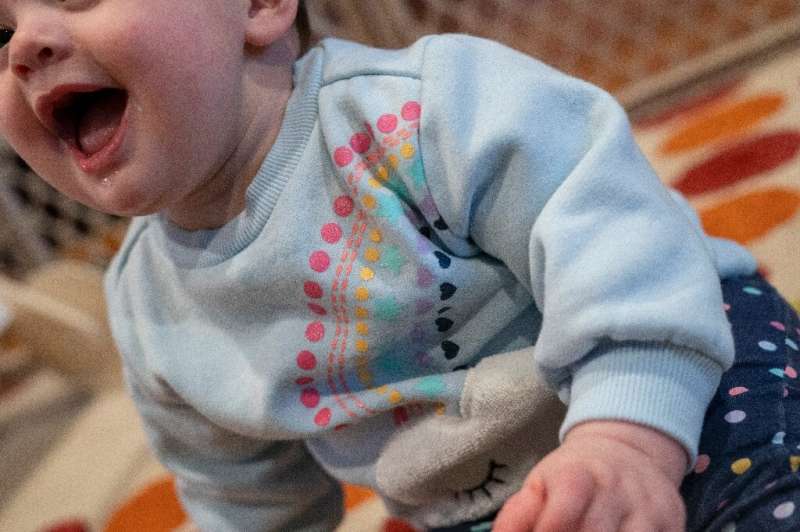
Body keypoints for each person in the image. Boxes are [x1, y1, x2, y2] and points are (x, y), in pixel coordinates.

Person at [1, 0, 798, 530]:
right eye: (0, 31)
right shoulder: (148, 310)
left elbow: (626, 247)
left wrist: (627, 440)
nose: (27, 45)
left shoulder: (428, 110)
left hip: (686, 365)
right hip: (484, 504)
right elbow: (246, 503)